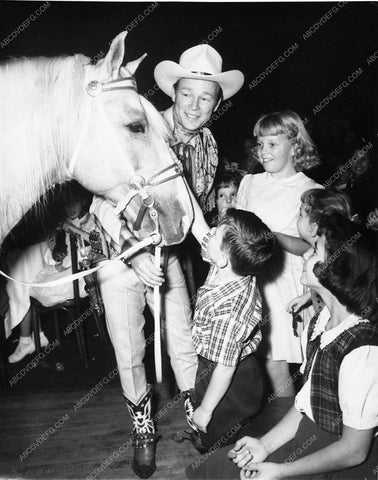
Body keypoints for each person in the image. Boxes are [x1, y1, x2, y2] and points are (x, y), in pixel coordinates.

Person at [90, 44, 245, 479]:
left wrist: (214, 246)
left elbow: (192, 205)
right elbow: (99, 203)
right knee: (131, 350)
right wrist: (134, 252)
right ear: (173, 92)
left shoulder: (209, 145)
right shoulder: (140, 127)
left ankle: (199, 416)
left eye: (206, 97)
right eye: (187, 94)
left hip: (170, 254)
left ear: (216, 104)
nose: (195, 106)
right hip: (120, 256)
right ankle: (143, 429)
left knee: (185, 339)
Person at [186, 213, 378, 480]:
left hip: (335, 459)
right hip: (307, 433)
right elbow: (306, 405)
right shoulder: (323, 321)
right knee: (206, 470)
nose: (305, 255)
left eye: (314, 250)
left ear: (338, 269)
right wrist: (265, 445)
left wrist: (280, 471)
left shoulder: (363, 351)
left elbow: (354, 451)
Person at [236, 110, 323, 397]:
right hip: (248, 277)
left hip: (282, 279)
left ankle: (288, 416)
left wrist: (268, 234)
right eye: (260, 144)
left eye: (272, 144)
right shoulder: (250, 183)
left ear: (295, 145)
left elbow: (310, 245)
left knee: (277, 358)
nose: (264, 151)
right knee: (249, 357)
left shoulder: (310, 190)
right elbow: (235, 229)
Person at [188, 209, 277, 453]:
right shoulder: (230, 266)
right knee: (223, 423)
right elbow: (200, 229)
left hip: (230, 376)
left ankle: (222, 456)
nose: (211, 232)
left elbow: (225, 369)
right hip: (219, 364)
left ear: (222, 258)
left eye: (216, 232)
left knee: (223, 428)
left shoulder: (231, 310)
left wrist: (206, 410)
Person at [5, 182, 96, 363]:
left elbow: (94, 243)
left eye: (75, 202)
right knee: (23, 282)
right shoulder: (64, 225)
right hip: (66, 270)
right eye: (66, 203)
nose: (70, 208)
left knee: (28, 287)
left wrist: (71, 232)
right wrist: (55, 250)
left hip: (82, 277)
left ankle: (29, 339)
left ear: (84, 201)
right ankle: (32, 337)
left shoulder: (91, 220)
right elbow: (60, 256)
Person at [287, 188, 352, 318]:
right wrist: (308, 297)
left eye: (300, 214)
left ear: (313, 227)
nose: (297, 218)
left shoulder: (329, 257)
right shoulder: (324, 250)